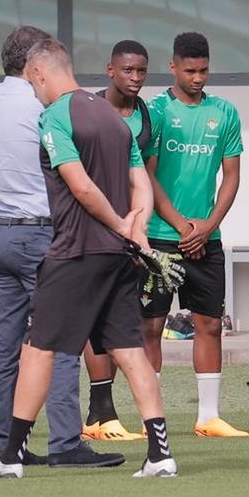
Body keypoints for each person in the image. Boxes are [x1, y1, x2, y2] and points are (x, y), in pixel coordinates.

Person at [0, 38, 177, 479]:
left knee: (37, 349)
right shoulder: (116, 120)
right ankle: (160, 455)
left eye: (33, 82)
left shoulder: (55, 116)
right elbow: (142, 184)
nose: (35, 90)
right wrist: (136, 232)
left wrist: (119, 225)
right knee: (129, 350)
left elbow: (79, 187)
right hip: (119, 258)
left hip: (75, 252)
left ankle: (8, 458)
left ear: (39, 73)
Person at [0, 25, 123, 467]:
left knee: (5, 343)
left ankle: (4, 441)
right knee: (60, 338)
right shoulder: (44, 105)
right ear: (34, 66)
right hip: (42, 231)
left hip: (0, 232)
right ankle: (65, 443)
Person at [143, 32, 247, 437]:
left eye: (204, 70)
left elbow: (232, 176)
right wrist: (182, 225)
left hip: (206, 237)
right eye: (190, 70)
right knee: (150, 327)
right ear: (173, 67)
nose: (198, 77)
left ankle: (208, 417)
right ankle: (151, 416)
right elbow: (147, 177)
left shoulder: (225, 112)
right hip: (159, 236)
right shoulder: (154, 111)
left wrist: (208, 225)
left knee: (209, 325)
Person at [81, 39, 159, 441]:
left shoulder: (146, 115)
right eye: (128, 70)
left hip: (133, 231)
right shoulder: (89, 110)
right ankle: (99, 413)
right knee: (93, 319)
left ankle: (105, 415)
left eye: (141, 71)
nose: (135, 78)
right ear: (110, 70)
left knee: (123, 320)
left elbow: (144, 176)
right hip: (95, 226)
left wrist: (139, 228)